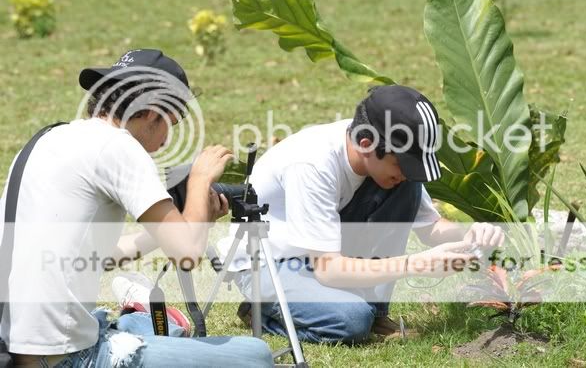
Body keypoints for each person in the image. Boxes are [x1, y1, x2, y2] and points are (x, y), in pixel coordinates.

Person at [0, 49, 273, 367]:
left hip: (14, 348)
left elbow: (102, 253)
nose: (167, 140)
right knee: (256, 355)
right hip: (66, 357)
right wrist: (199, 180)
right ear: (152, 110)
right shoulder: (118, 146)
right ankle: (144, 320)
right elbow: (186, 255)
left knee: (126, 327)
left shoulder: (47, 139)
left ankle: (140, 315)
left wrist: (179, 225)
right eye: (170, 123)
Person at [218, 84, 505, 343]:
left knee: (405, 190)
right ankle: (261, 308)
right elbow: (328, 269)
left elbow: (430, 227)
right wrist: (414, 264)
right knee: (351, 320)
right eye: (403, 165)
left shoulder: (376, 149)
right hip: (270, 263)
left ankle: (376, 314)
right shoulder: (312, 164)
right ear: (366, 144)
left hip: (320, 253)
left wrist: (471, 233)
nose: (407, 174)